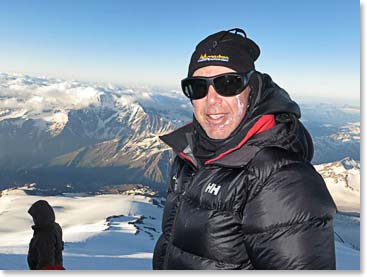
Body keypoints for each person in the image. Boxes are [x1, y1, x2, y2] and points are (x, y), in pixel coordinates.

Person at [153, 28, 337, 270]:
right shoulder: (190, 155)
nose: (212, 100)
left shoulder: (282, 181)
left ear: (253, 89)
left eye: (228, 84)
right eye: (197, 87)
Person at [27, 200, 65, 270]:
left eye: (35, 217)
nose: (34, 220)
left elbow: (46, 261)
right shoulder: (54, 227)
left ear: (40, 216)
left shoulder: (45, 233)